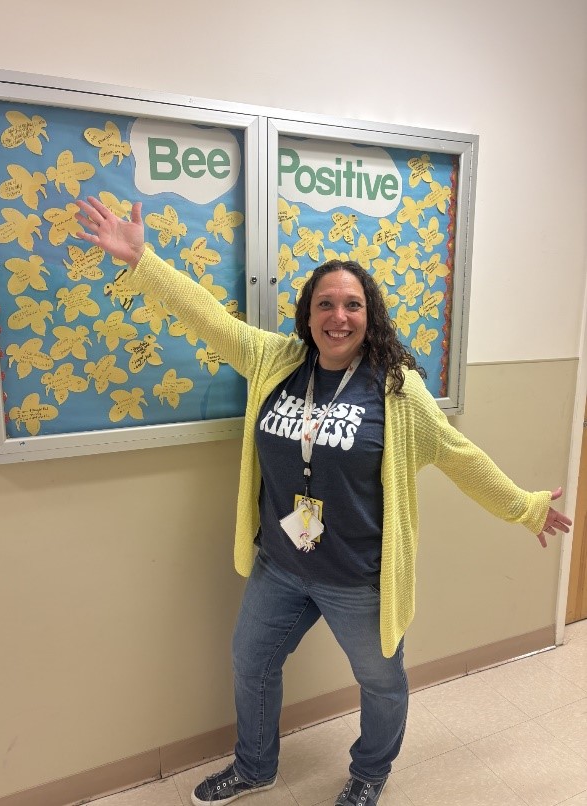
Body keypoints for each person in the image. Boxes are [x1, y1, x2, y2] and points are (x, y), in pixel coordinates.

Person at [76, 196, 572, 806]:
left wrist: (523, 506)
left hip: (355, 577)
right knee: (251, 662)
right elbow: (209, 318)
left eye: (352, 305)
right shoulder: (276, 360)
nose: (339, 317)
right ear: (308, 315)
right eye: (325, 304)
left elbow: (459, 456)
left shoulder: (396, 391)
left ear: (371, 315)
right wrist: (143, 261)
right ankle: (255, 767)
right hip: (280, 564)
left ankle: (369, 773)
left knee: (380, 681)